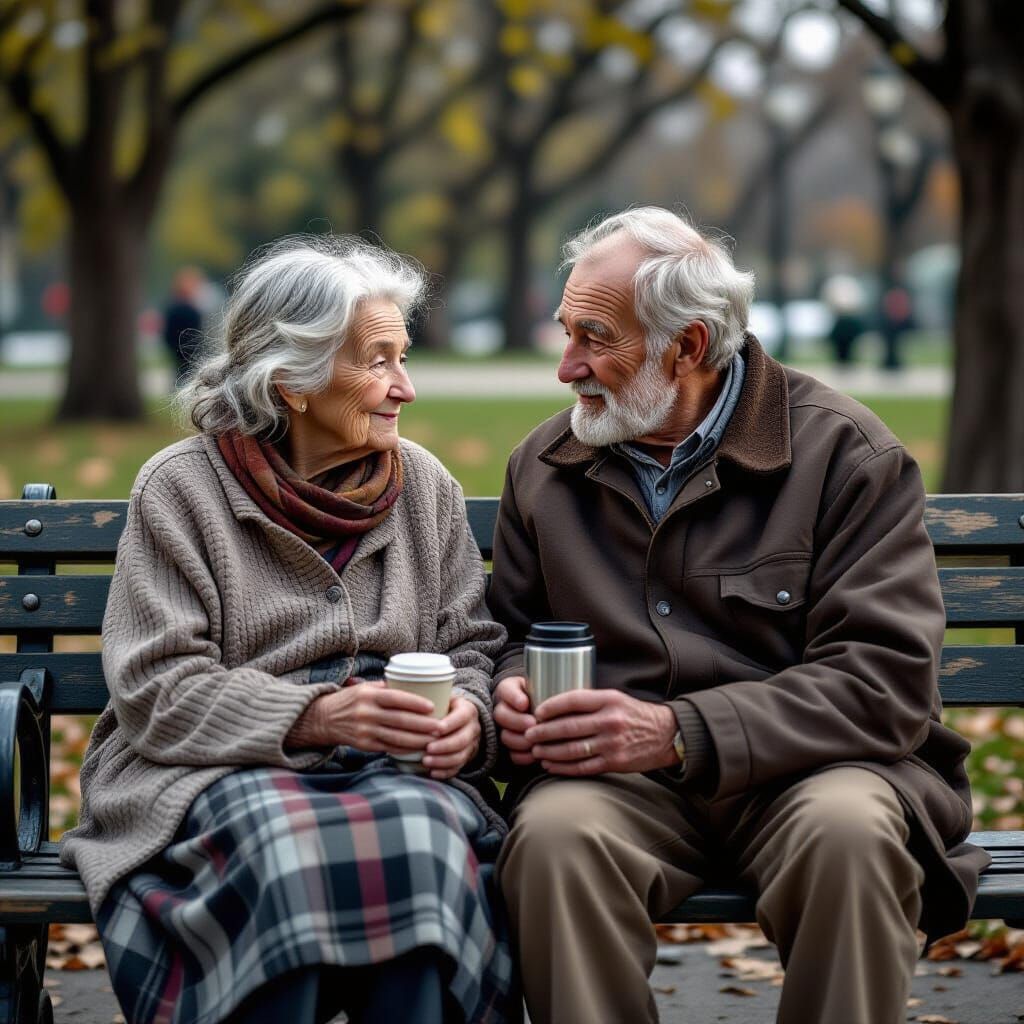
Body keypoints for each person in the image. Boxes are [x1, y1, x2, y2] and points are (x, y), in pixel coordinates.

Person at [488, 207, 987, 1024]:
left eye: (594, 337)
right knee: (552, 839)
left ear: (686, 346)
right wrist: (514, 687)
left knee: (850, 836)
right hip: (624, 789)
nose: (566, 366)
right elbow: (508, 634)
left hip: (816, 772)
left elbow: (883, 683)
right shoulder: (544, 467)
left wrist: (680, 731)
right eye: (564, 332)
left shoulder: (846, 454)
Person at [61, 235, 514, 1024]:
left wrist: (468, 718)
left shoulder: (426, 487)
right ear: (292, 382)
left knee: (426, 839)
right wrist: (312, 715)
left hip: (394, 772)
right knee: (282, 842)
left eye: (403, 357)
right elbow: (156, 688)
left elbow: (469, 645)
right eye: (378, 361)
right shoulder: (182, 489)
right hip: (216, 770)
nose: (404, 388)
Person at [162, 266, 205, 385]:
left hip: (179, 347)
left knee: (181, 373)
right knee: (186, 374)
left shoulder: (173, 307)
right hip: (188, 347)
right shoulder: (189, 309)